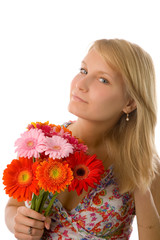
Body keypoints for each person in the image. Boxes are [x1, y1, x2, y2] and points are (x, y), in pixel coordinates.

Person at [5, 39, 160, 240]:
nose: (80, 84)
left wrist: (140, 182)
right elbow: (14, 206)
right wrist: (18, 222)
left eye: (103, 79)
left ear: (130, 102)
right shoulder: (42, 143)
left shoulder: (146, 167)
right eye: (84, 71)